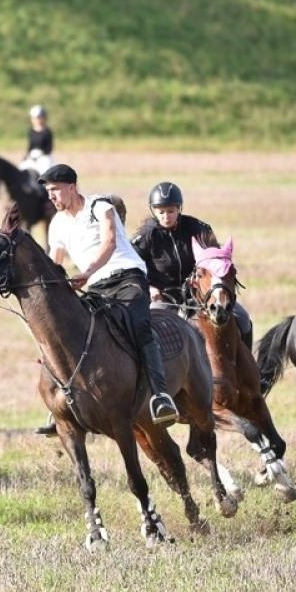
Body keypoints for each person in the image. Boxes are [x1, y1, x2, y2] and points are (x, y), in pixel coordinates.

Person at [42, 164, 179, 427]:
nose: (51, 196)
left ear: (72, 187)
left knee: (140, 327)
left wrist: (87, 271)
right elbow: (54, 262)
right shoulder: (57, 224)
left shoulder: (100, 208)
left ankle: (161, 395)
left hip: (127, 277)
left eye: (56, 190)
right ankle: (64, 406)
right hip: (95, 287)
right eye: (49, 191)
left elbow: (110, 242)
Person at [130, 181, 254, 349]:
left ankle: (248, 366)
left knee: (243, 318)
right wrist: (149, 286)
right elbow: (132, 267)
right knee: (151, 328)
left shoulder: (197, 228)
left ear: (179, 209)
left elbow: (215, 261)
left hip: (199, 293)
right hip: (165, 297)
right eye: (161, 212)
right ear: (154, 211)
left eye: (171, 211)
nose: (166, 216)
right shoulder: (146, 236)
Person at [19, 104, 54, 176]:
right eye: (34, 118)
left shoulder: (47, 132)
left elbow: (49, 148)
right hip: (32, 156)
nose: (36, 120)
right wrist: (26, 155)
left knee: (45, 172)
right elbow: (30, 146)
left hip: (44, 157)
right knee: (21, 168)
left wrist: (41, 154)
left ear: (43, 118)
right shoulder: (31, 131)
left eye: (38, 118)